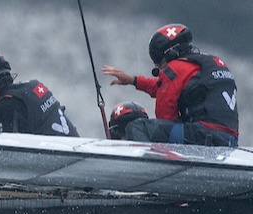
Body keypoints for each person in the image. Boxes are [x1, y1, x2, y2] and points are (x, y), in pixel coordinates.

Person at [101, 23, 240, 147]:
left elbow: (165, 117)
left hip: (203, 136)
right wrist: (133, 80)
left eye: (157, 59)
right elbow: (167, 86)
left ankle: (148, 171)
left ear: (170, 53)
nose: (158, 65)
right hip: (230, 140)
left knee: (138, 127)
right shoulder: (211, 63)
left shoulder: (175, 68)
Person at [0, 53, 77, 137]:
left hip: (56, 162)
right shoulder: (33, 86)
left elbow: (8, 154)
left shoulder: (6, 105)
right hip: (75, 153)